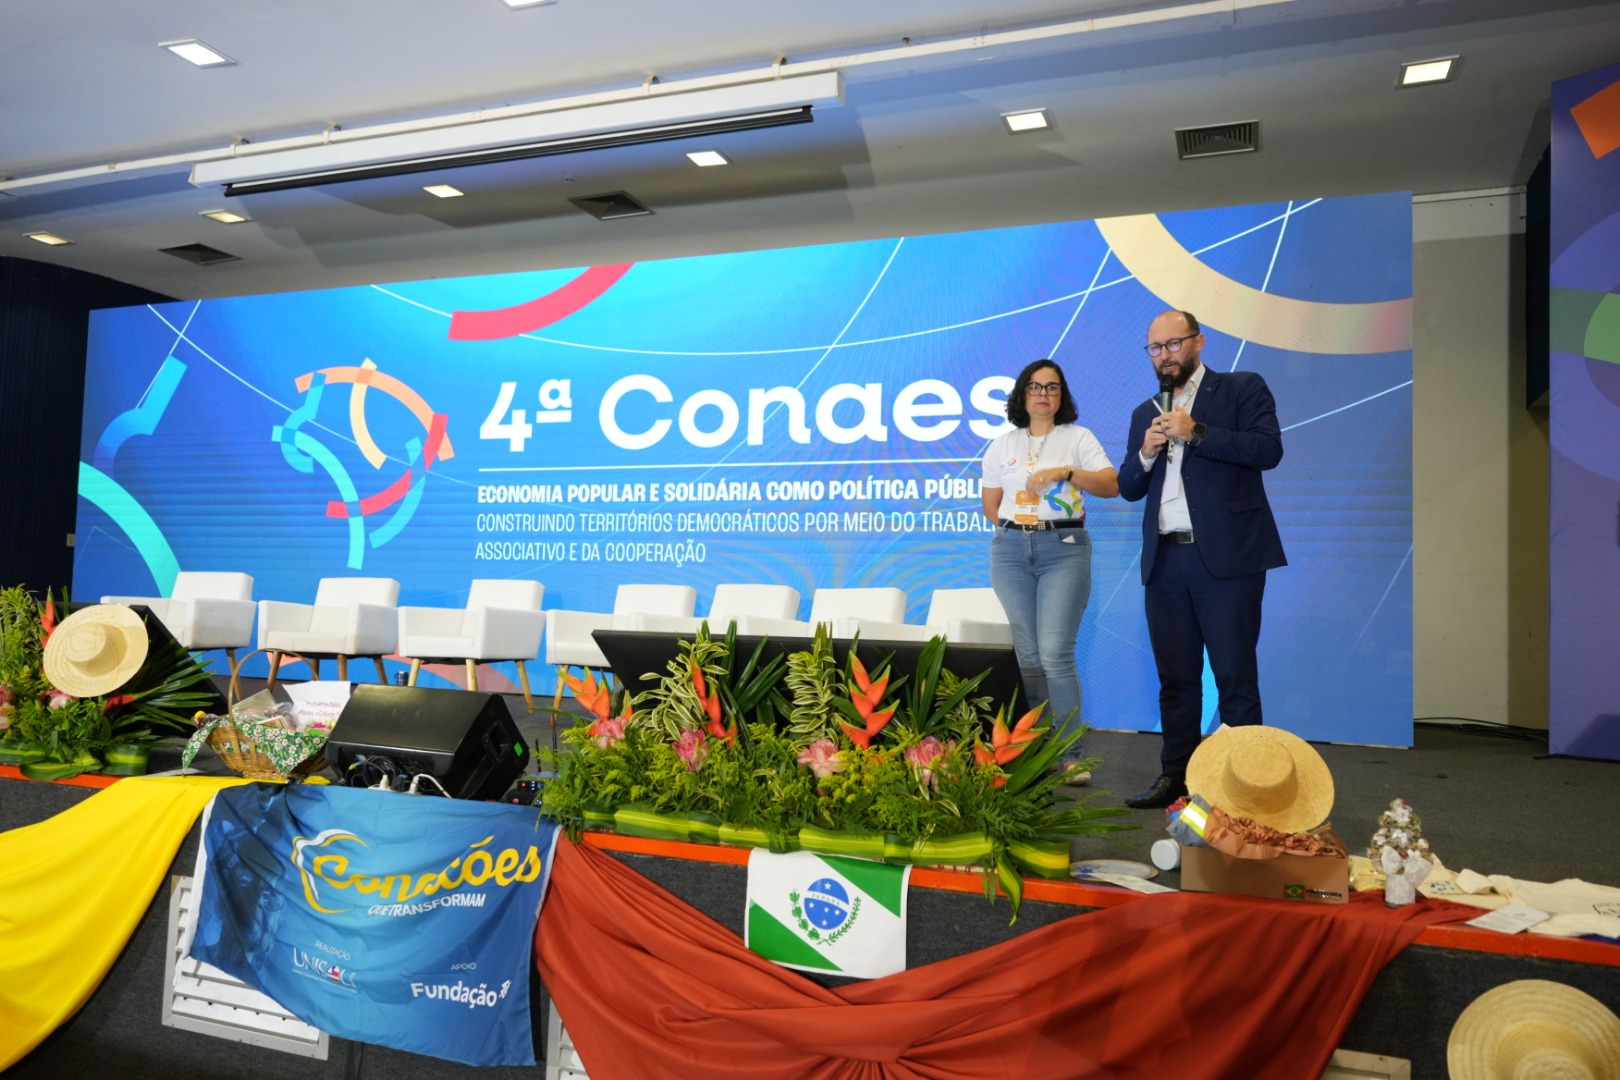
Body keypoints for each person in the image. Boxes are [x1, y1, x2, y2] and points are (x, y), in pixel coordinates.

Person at [1117, 310, 1286, 809]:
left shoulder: (1240, 388)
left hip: (1227, 559)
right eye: (1155, 348)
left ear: (1199, 342)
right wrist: (1146, 453)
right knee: (1176, 678)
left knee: (1235, 675)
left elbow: (1267, 450)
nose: (1164, 356)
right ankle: (1177, 777)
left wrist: (1197, 431)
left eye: (1173, 344)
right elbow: (1128, 487)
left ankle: (1244, 787)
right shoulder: (1144, 412)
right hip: (1166, 561)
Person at [981, 359, 1118, 784]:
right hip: (1010, 551)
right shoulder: (1002, 444)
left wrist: (1067, 472)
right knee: (1028, 657)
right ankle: (1033, 751)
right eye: (1035, 386)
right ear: (1022, 394)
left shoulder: (1078, 438)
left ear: (1062, 395)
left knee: (1055, 654)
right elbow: (990, 505)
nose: (1043, 394)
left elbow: (1111, 484)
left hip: (1064, 548)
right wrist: (1020, 529)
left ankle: (1070, 755)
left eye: (1052, 387)